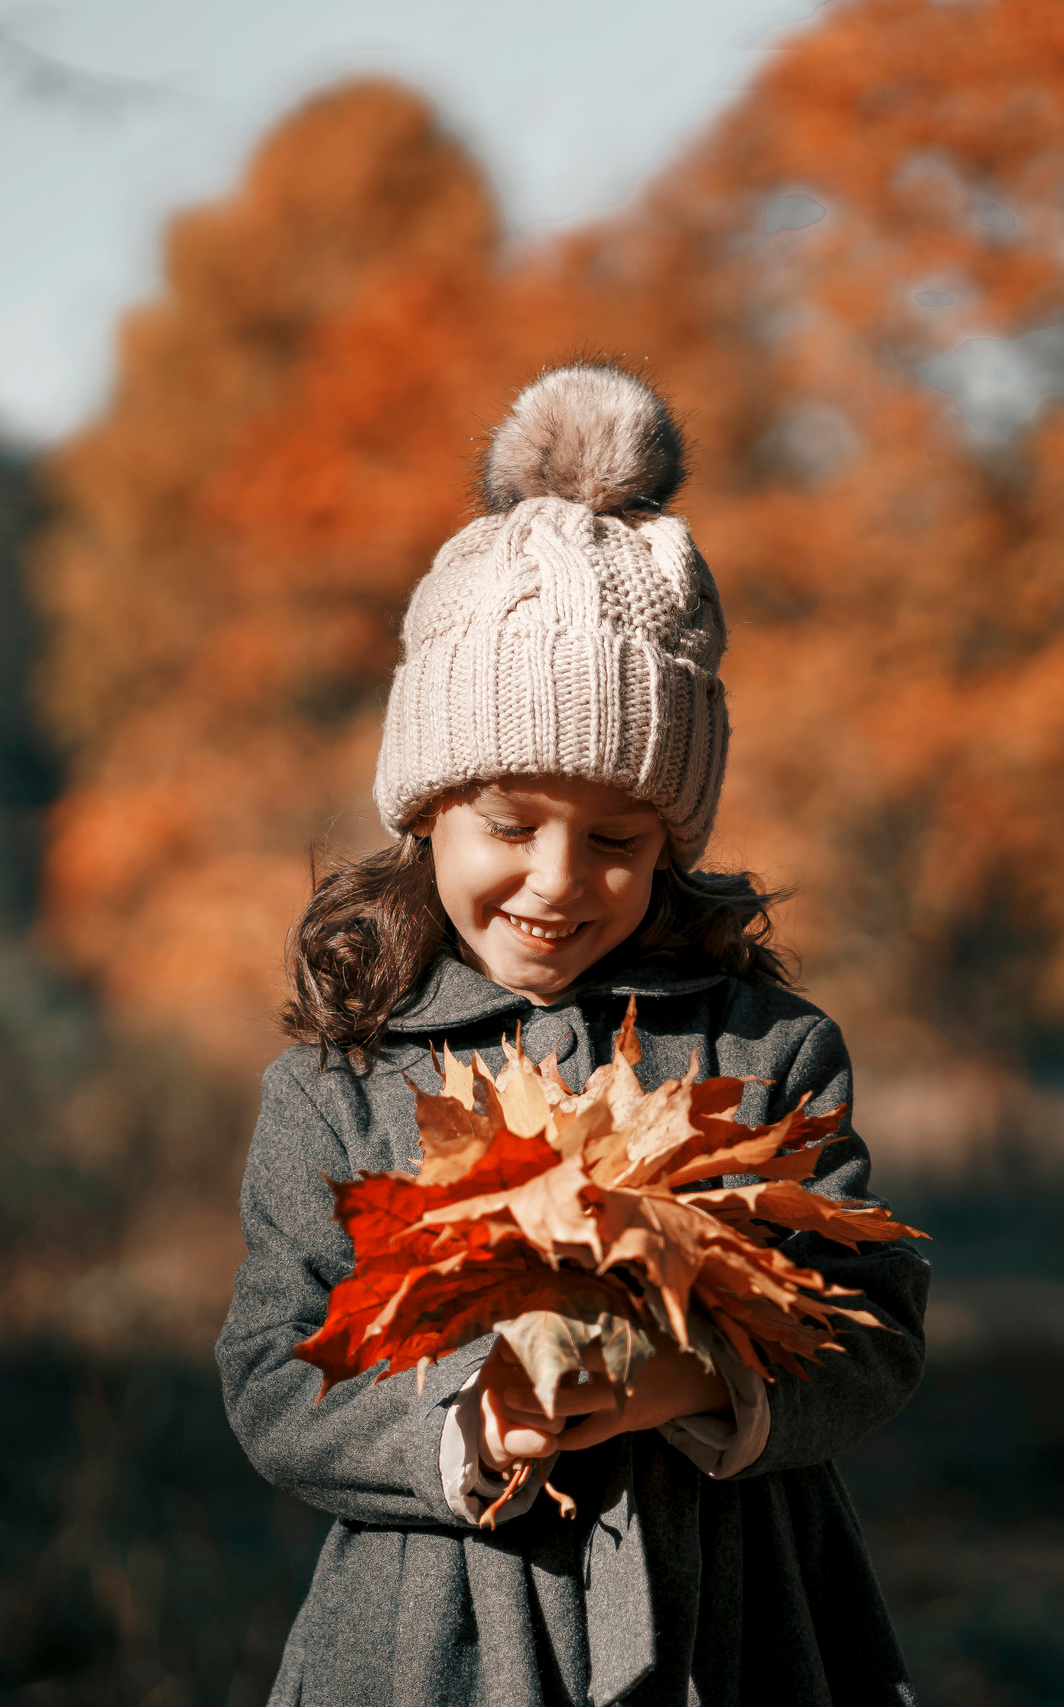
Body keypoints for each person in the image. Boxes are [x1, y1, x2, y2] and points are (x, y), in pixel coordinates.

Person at [216, 362, 929, 1706]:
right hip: (433, 1648)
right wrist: (464, 1421)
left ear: (676, 841)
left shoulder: (763, 1054)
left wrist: (695, 1377)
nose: (556, 880)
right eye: (509, 826)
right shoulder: (339, 1087)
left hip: (738, 1624)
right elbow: (271, 1372)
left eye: (616, 840)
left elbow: (876, 1324)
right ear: (424, 817)